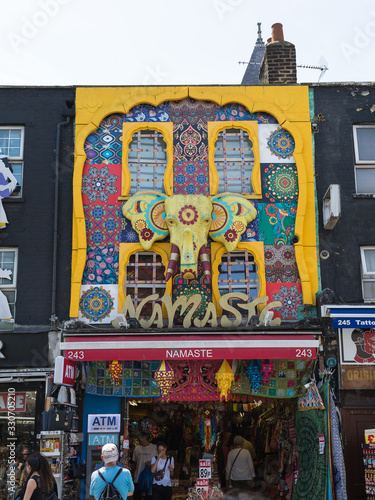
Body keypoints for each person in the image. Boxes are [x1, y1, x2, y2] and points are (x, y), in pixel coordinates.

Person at [132, 433, 157, 500]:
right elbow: (134, 463)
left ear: (144, 439)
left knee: (149, 497)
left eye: (139, 439)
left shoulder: (154, 448)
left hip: (150, 478)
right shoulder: (137, 449)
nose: (138, 441)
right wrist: (132, 475)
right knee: (137, 496)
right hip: (138, 477)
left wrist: (151, 465)